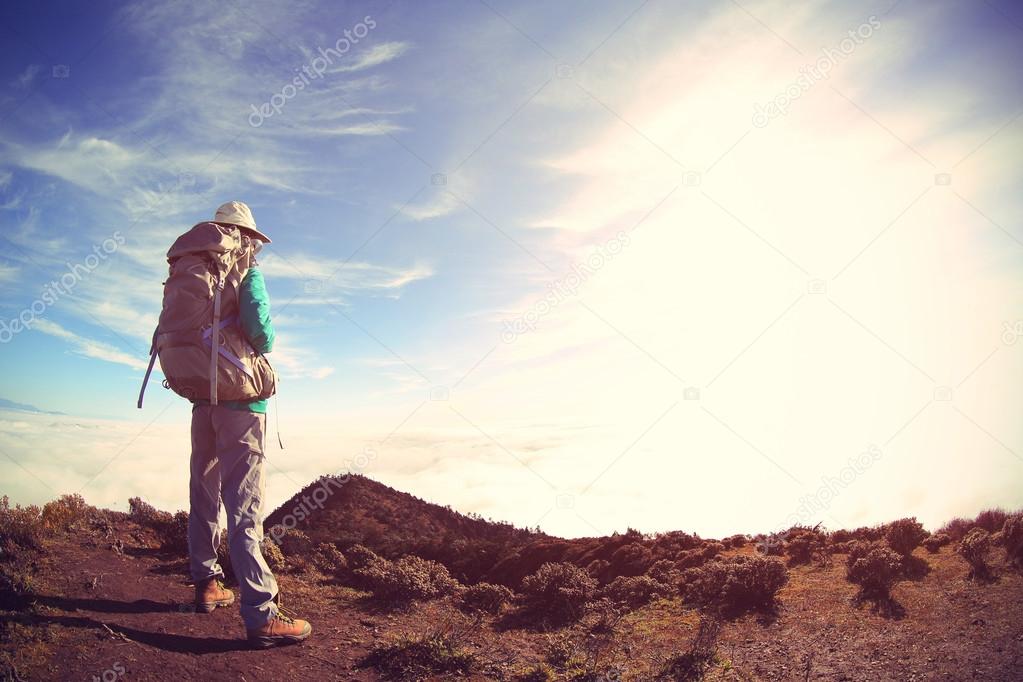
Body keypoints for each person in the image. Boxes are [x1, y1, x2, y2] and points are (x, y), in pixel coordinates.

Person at [187, 201, 312, 648]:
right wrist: (266, 339)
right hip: (242, 404)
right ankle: (261, 615)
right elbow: (262, 333)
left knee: (203, 491)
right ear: (248, 239)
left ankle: (207, 584)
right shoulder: (246, 273)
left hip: (203, 399)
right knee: (243, 506)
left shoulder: (196, 271)